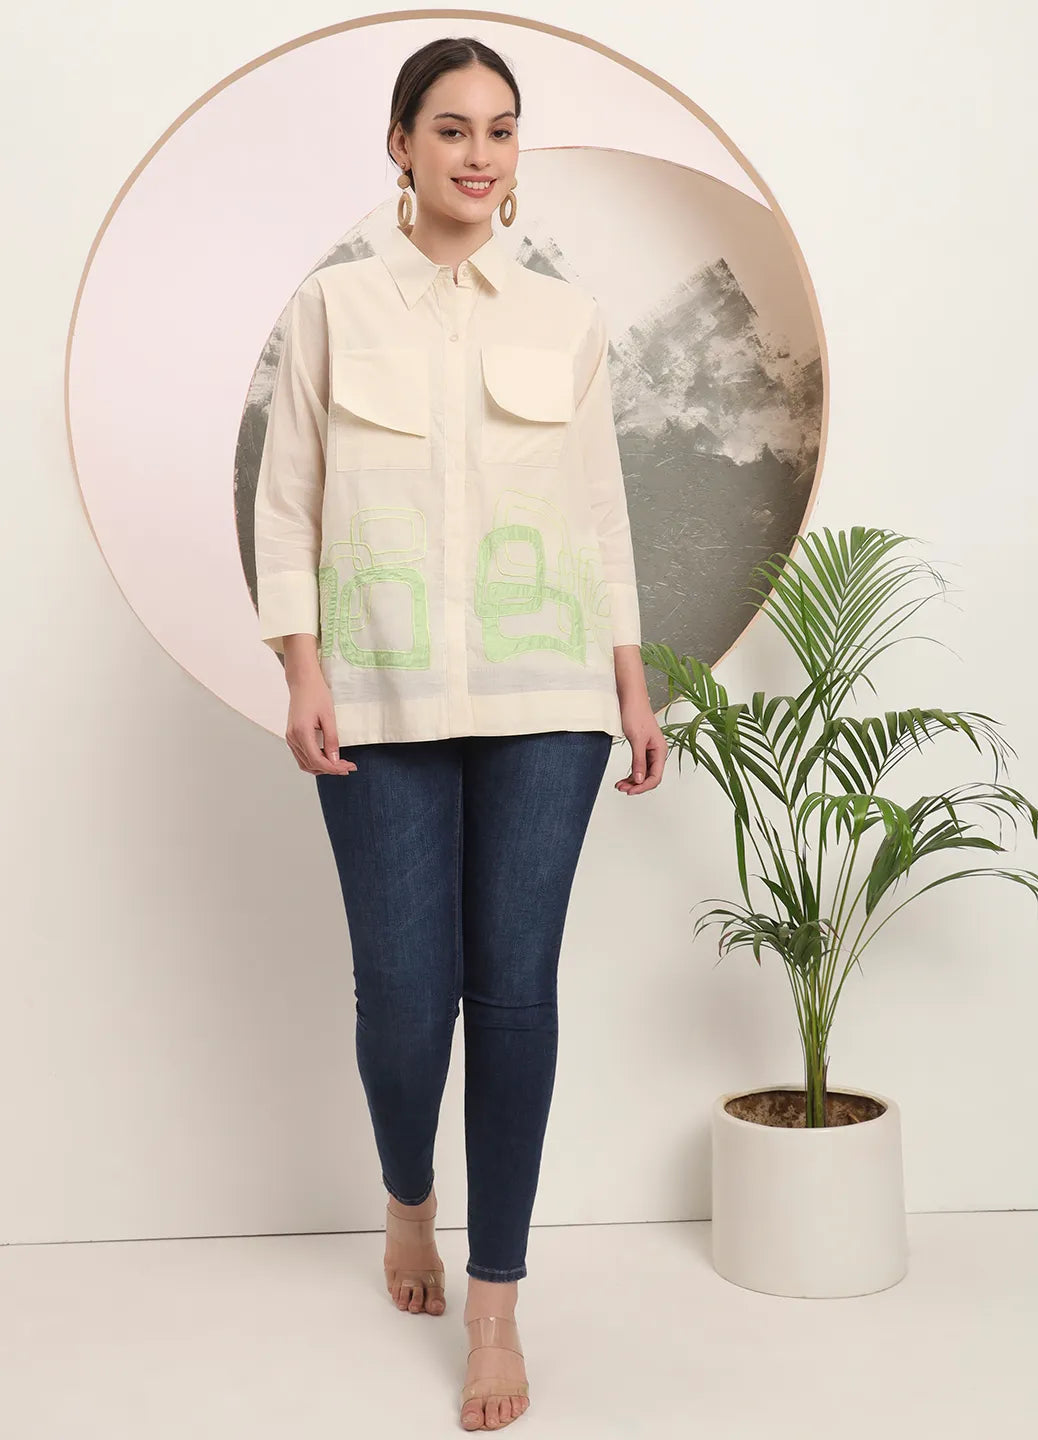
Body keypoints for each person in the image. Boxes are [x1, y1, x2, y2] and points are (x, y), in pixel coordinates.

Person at [253, 35, 666, 1432]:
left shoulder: (565, 317)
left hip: (548, 698)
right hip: (378, 694)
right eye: (450, 128)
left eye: (498, 129)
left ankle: (498, 1303)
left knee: (517, 993)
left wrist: (630, 682)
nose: (477, 154)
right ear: (401, 145)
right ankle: (407, 1197)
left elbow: (601, 513)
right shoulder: (332, 306)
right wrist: (301, 666)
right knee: (401, 996)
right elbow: (288, 500)